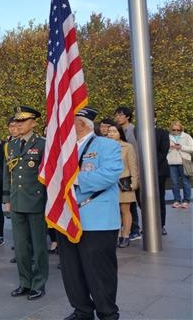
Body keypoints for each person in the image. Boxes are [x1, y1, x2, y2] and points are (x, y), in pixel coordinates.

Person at [59, 107, 123, 320]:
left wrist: (75, 179)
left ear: (82, 124)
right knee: (71, 271)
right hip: (67, 217)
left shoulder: (107, 145)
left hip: (96, 220)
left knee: (99, 272)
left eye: (70, 122)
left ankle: (107, 313)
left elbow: (110, 175)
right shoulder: (61, 150)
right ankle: (82, 310)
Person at [3, 106, 48, 301]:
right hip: (17, 200)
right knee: (21, 247)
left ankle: (38, 283)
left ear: (33, 122)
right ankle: (25, 282)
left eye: (22, 121)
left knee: (38, 247)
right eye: (17, 121)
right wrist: (6, 198)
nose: (18, 125)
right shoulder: (11, 146)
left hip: (37, 201)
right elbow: (8, 174)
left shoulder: (42, 144)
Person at [106, 124, 139, 248]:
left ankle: (125, 235)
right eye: (109, 131)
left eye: (114, 131)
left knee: (125, 210)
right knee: (113, 211)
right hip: (108, 183)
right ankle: (117, 234)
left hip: (124, 183)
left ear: (120, 133)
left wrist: (134, 183)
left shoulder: (127, 147)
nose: (111, 133)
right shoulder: (102, 146)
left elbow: (133, 165)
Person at [113, 106, 141, 241]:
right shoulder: (105, 144)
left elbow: (133, 161)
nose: (117, 117)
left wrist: (135, 181)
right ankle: (119, 234)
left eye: (120, 115)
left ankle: (131, 232)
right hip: (111, 182)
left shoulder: (134, 132)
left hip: (125, 179)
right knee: (116, 211)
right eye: (116, 115)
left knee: (128, 208)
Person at [167, 121, 192, 209]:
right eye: (174, 129)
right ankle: (177, 200)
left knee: (186, 182)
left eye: (178, 130)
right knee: (174, 183)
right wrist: (170, 148)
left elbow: (192, 148)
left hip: (183, 162)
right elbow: (163, 148)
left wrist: (181, 147)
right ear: (171, 129)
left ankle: (186, 200)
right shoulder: (167, 136)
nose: (176, 131)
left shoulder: (186, 136)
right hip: (172, 162)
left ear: (181, 129)